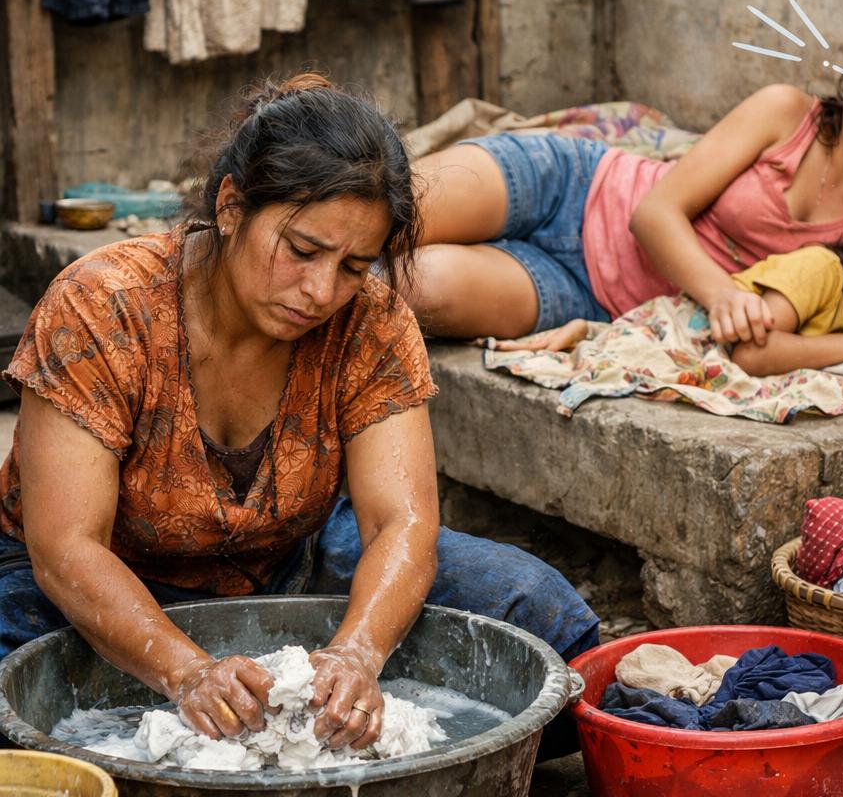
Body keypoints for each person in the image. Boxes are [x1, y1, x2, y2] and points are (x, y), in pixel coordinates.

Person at [0, 74, 598, 754]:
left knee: (539, 621)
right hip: (90, 584)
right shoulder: (102, 306)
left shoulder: (370, 322)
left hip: (287, 561)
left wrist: (355, 656)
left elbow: (399, 521)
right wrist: (188, 671)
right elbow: (66, 546)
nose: (319, 292)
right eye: (303, 250)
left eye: (353, 266)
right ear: (231, 206)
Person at [402, 5, 843, 343]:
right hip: (571, 184)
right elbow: (655, 212)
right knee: (381, 212)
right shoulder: (788, 113)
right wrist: (724, 296)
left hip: (590, 294)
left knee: (412, 285)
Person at [493, 203, 843, 378]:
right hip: (679, 328)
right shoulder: (820, 269)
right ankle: (585, 333)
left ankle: (588, 333)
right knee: (607, 358)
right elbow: (754, 352)